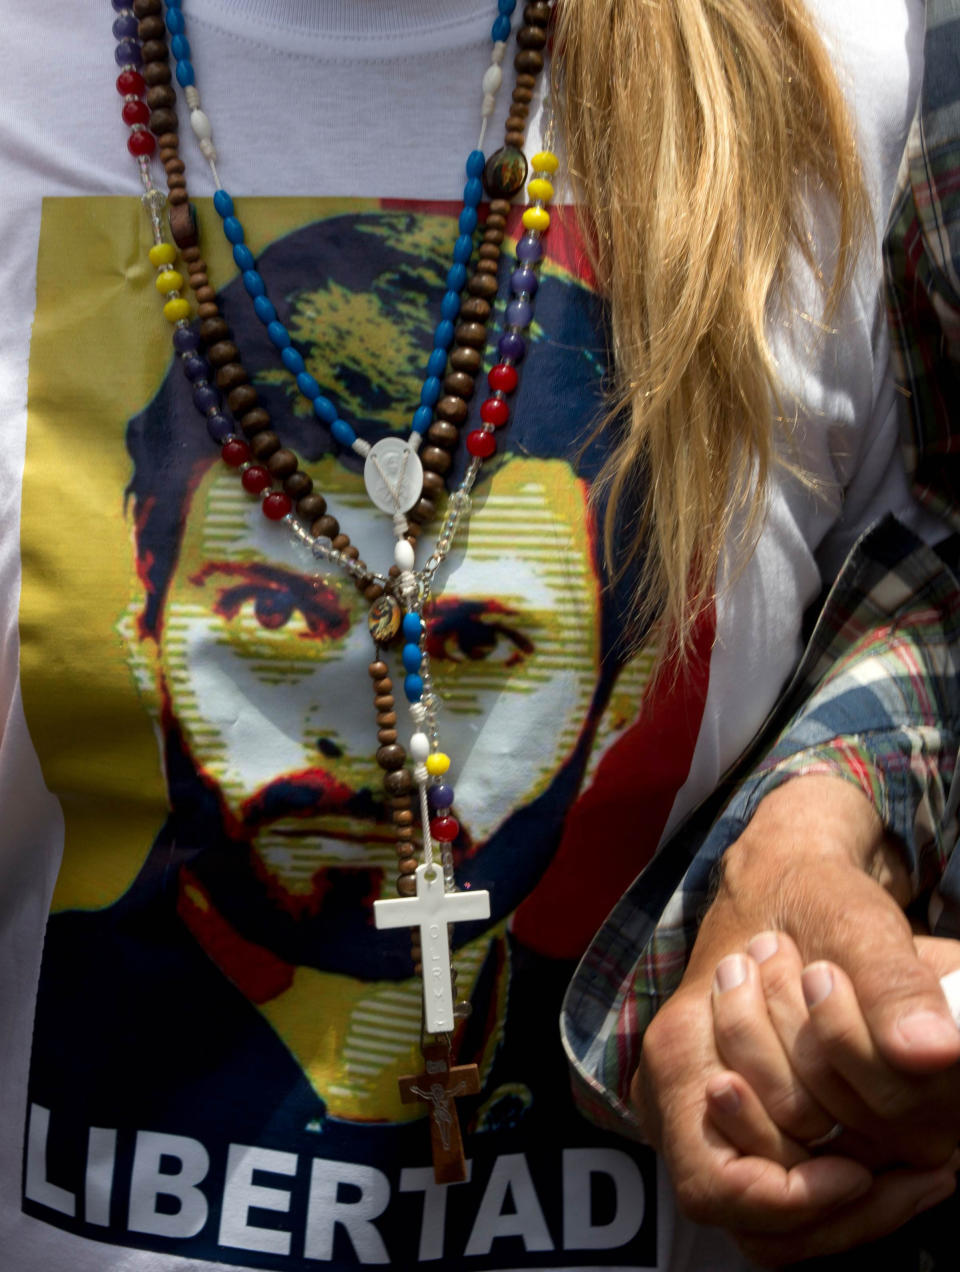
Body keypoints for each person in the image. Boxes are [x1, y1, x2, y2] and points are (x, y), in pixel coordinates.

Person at [0, 1, 957, 1271]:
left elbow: (917, 610)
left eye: (494, 645)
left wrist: (822, 841)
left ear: (610, 702)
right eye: (267, 616)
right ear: (144, 616)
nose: (373, 744)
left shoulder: (853, 68)